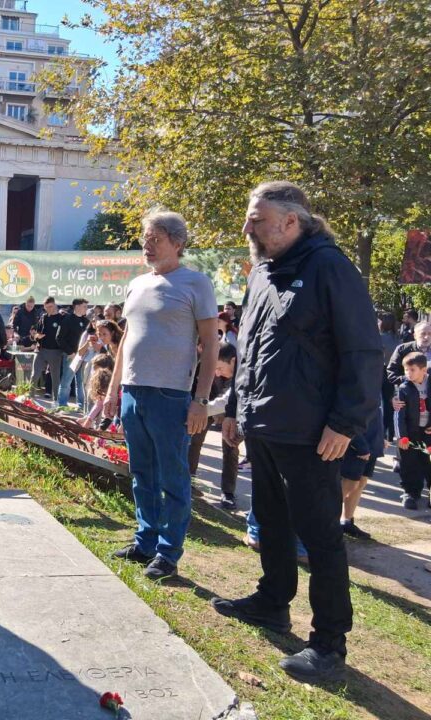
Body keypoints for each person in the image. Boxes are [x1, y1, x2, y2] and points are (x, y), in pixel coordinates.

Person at [213, 181, 383, 682]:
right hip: (264, 425)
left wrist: (345, 424)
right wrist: (235, 410)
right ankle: (272, 600)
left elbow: (362, 353)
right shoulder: (263, 271)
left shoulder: (330, 267)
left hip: (314, 433)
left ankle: (329, 643)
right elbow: (250, 347)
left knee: (320, 536)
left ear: (291, 221)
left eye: (257, 219)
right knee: (269, 520)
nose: (248, 228)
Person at [104, 210, 220, 581]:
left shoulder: (196, 283)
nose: (147, 245)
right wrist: (112, 390)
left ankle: (168, 552)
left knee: (173, 475)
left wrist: (200, 400)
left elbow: (210, 344)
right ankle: (145, 541)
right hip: (132, 392)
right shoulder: (137, 284)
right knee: (141, 473)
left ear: (178, 243)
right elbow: (125, 339)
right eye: (145, 239)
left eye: (155, 239)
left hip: (172, 395)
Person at [187, 342, 239, 508]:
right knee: (194, 441)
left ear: (232, 361)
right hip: (207, 404)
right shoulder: (203, 360)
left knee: (230, 446)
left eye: (219, 367)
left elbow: (226, 400)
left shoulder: (243, 371)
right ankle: (189, 481)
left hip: (226, 409)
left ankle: (228, 492)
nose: (217, 373)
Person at [340, 403, 384, 538]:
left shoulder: (375, 383)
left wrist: (381, 438)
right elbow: (347, 413)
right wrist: (359, 444)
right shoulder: (357, 383)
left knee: (361, 483)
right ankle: (328, 523)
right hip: (356, 442)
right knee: (348, 484)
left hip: (372, 442)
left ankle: (347, 521)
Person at [394, 352, 431, 509]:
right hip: (410, 434)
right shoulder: (404, 388)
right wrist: (401, 436)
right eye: (406, 370)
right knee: (410, 463)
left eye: (412, 370)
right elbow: (399, 415)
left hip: (428, 434)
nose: (408, 373)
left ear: (424, 370)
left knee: (428, 464)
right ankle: (410, 493)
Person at [56, 299, 90, 408]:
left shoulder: (86, 321)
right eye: (84, 306)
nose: (86, 309)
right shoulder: (67, 319)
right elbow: (59, 338)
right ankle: (62, 405)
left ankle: (81, 405)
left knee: (81, 382)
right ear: (77, 306)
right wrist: (70, 352)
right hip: (71, 356)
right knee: (66, 380)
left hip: (83, 355)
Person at [30, 297, 64, 397]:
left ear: (54, 305)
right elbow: (36, 333)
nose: (48, 309)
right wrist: (37, 336)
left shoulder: (61, 318)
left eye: (50, 307)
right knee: (35, 374)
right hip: (41, 349)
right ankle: (30, 396)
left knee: (55, 377)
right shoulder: (43, 317)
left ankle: (56, 399)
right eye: (46, 307)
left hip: (55, 351)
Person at [378, 313, 399, 442]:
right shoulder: (397, 338)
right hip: (393, 372)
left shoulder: (380, 338)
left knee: (379, 403)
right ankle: (390, 433)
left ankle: (381, 432)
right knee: (389, 403)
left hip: (381, 371)